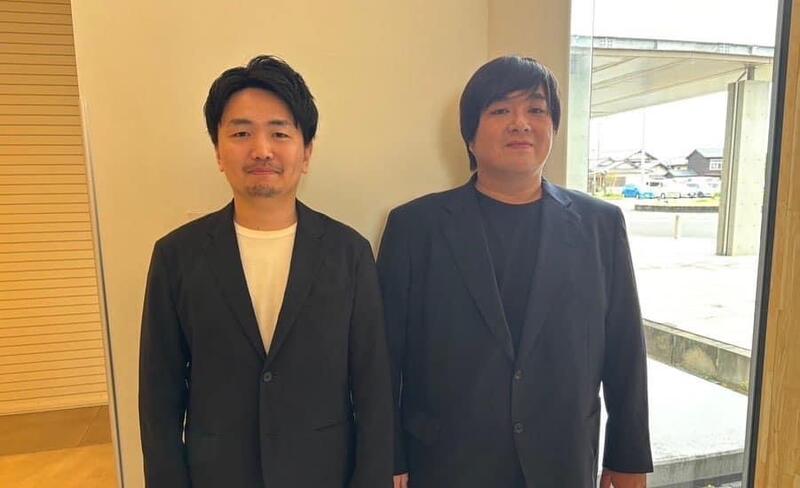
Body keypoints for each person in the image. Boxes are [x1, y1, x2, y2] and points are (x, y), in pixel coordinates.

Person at [377, 55, 653, 488]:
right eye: (500, 110)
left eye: (536, 110)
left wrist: (628, 459)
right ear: (470, 136)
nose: (520, 123)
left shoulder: (600, 225)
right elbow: (384, 356)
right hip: (446, 463)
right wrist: (389, 458)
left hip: (561, 462)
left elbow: (625, 350)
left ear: (553, 128)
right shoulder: (415, 227)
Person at [139, 55, 393, 488]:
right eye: (241, 133)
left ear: (306, 152)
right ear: (218, 151)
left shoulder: (349, 253)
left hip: (324, 474)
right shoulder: (176, 256)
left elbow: (373, 388)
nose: (261, 150)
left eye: (279, 132)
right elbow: (158, 398)